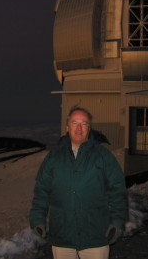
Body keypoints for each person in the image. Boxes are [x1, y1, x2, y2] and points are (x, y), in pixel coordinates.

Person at [29, 106, 128, 259]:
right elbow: (42, 190)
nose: (79, 128)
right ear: (67, 127)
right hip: (62, 238)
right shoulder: (54, 157)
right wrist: (37, 219)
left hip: (95, 238)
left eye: (84, 123)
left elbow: (118, 190)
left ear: (89, 127)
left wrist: (117, 221)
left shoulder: (103, 156)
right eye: (75, 123)